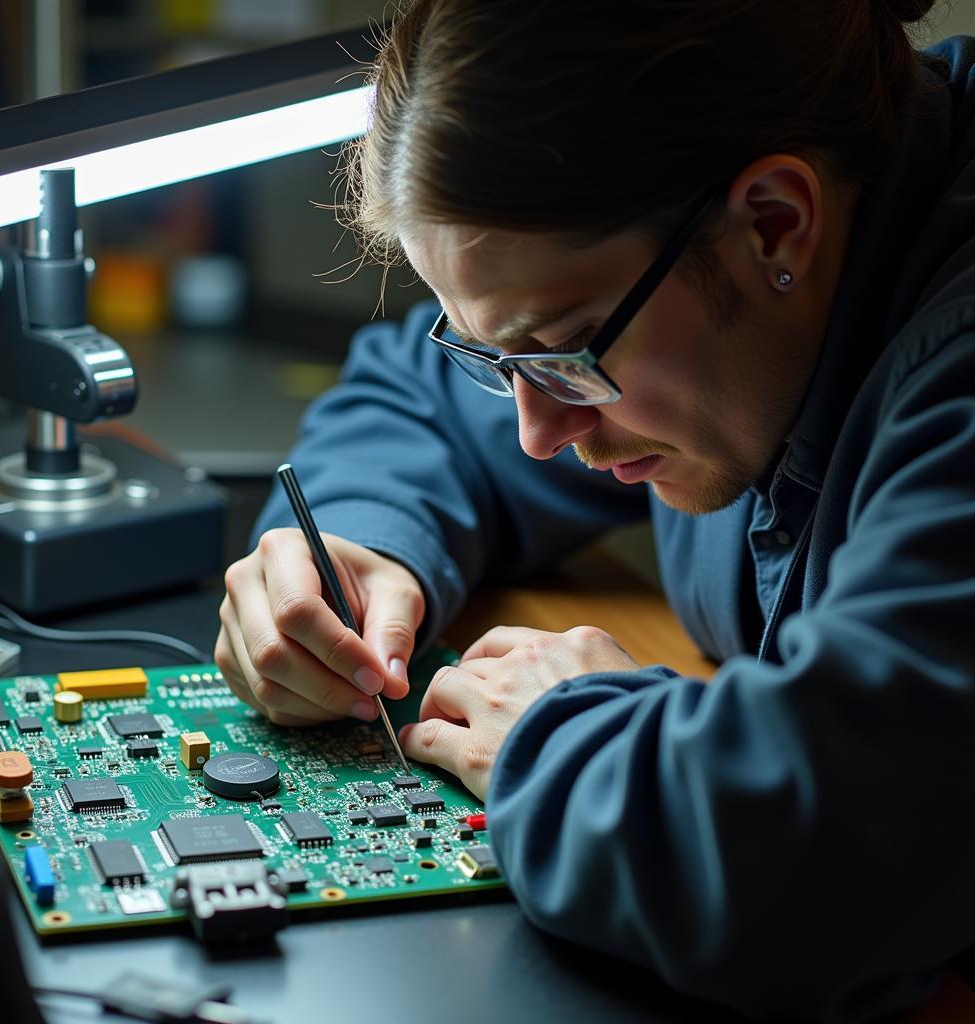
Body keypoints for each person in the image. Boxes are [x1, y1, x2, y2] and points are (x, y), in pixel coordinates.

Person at [215, 1, 975, 1018]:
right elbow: (413, 396)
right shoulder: (718, 311)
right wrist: (362, 543)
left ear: (774, 223)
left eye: (564, 350)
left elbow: (825, 864)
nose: (537, 430)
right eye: (497, 357)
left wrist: (561, 734)